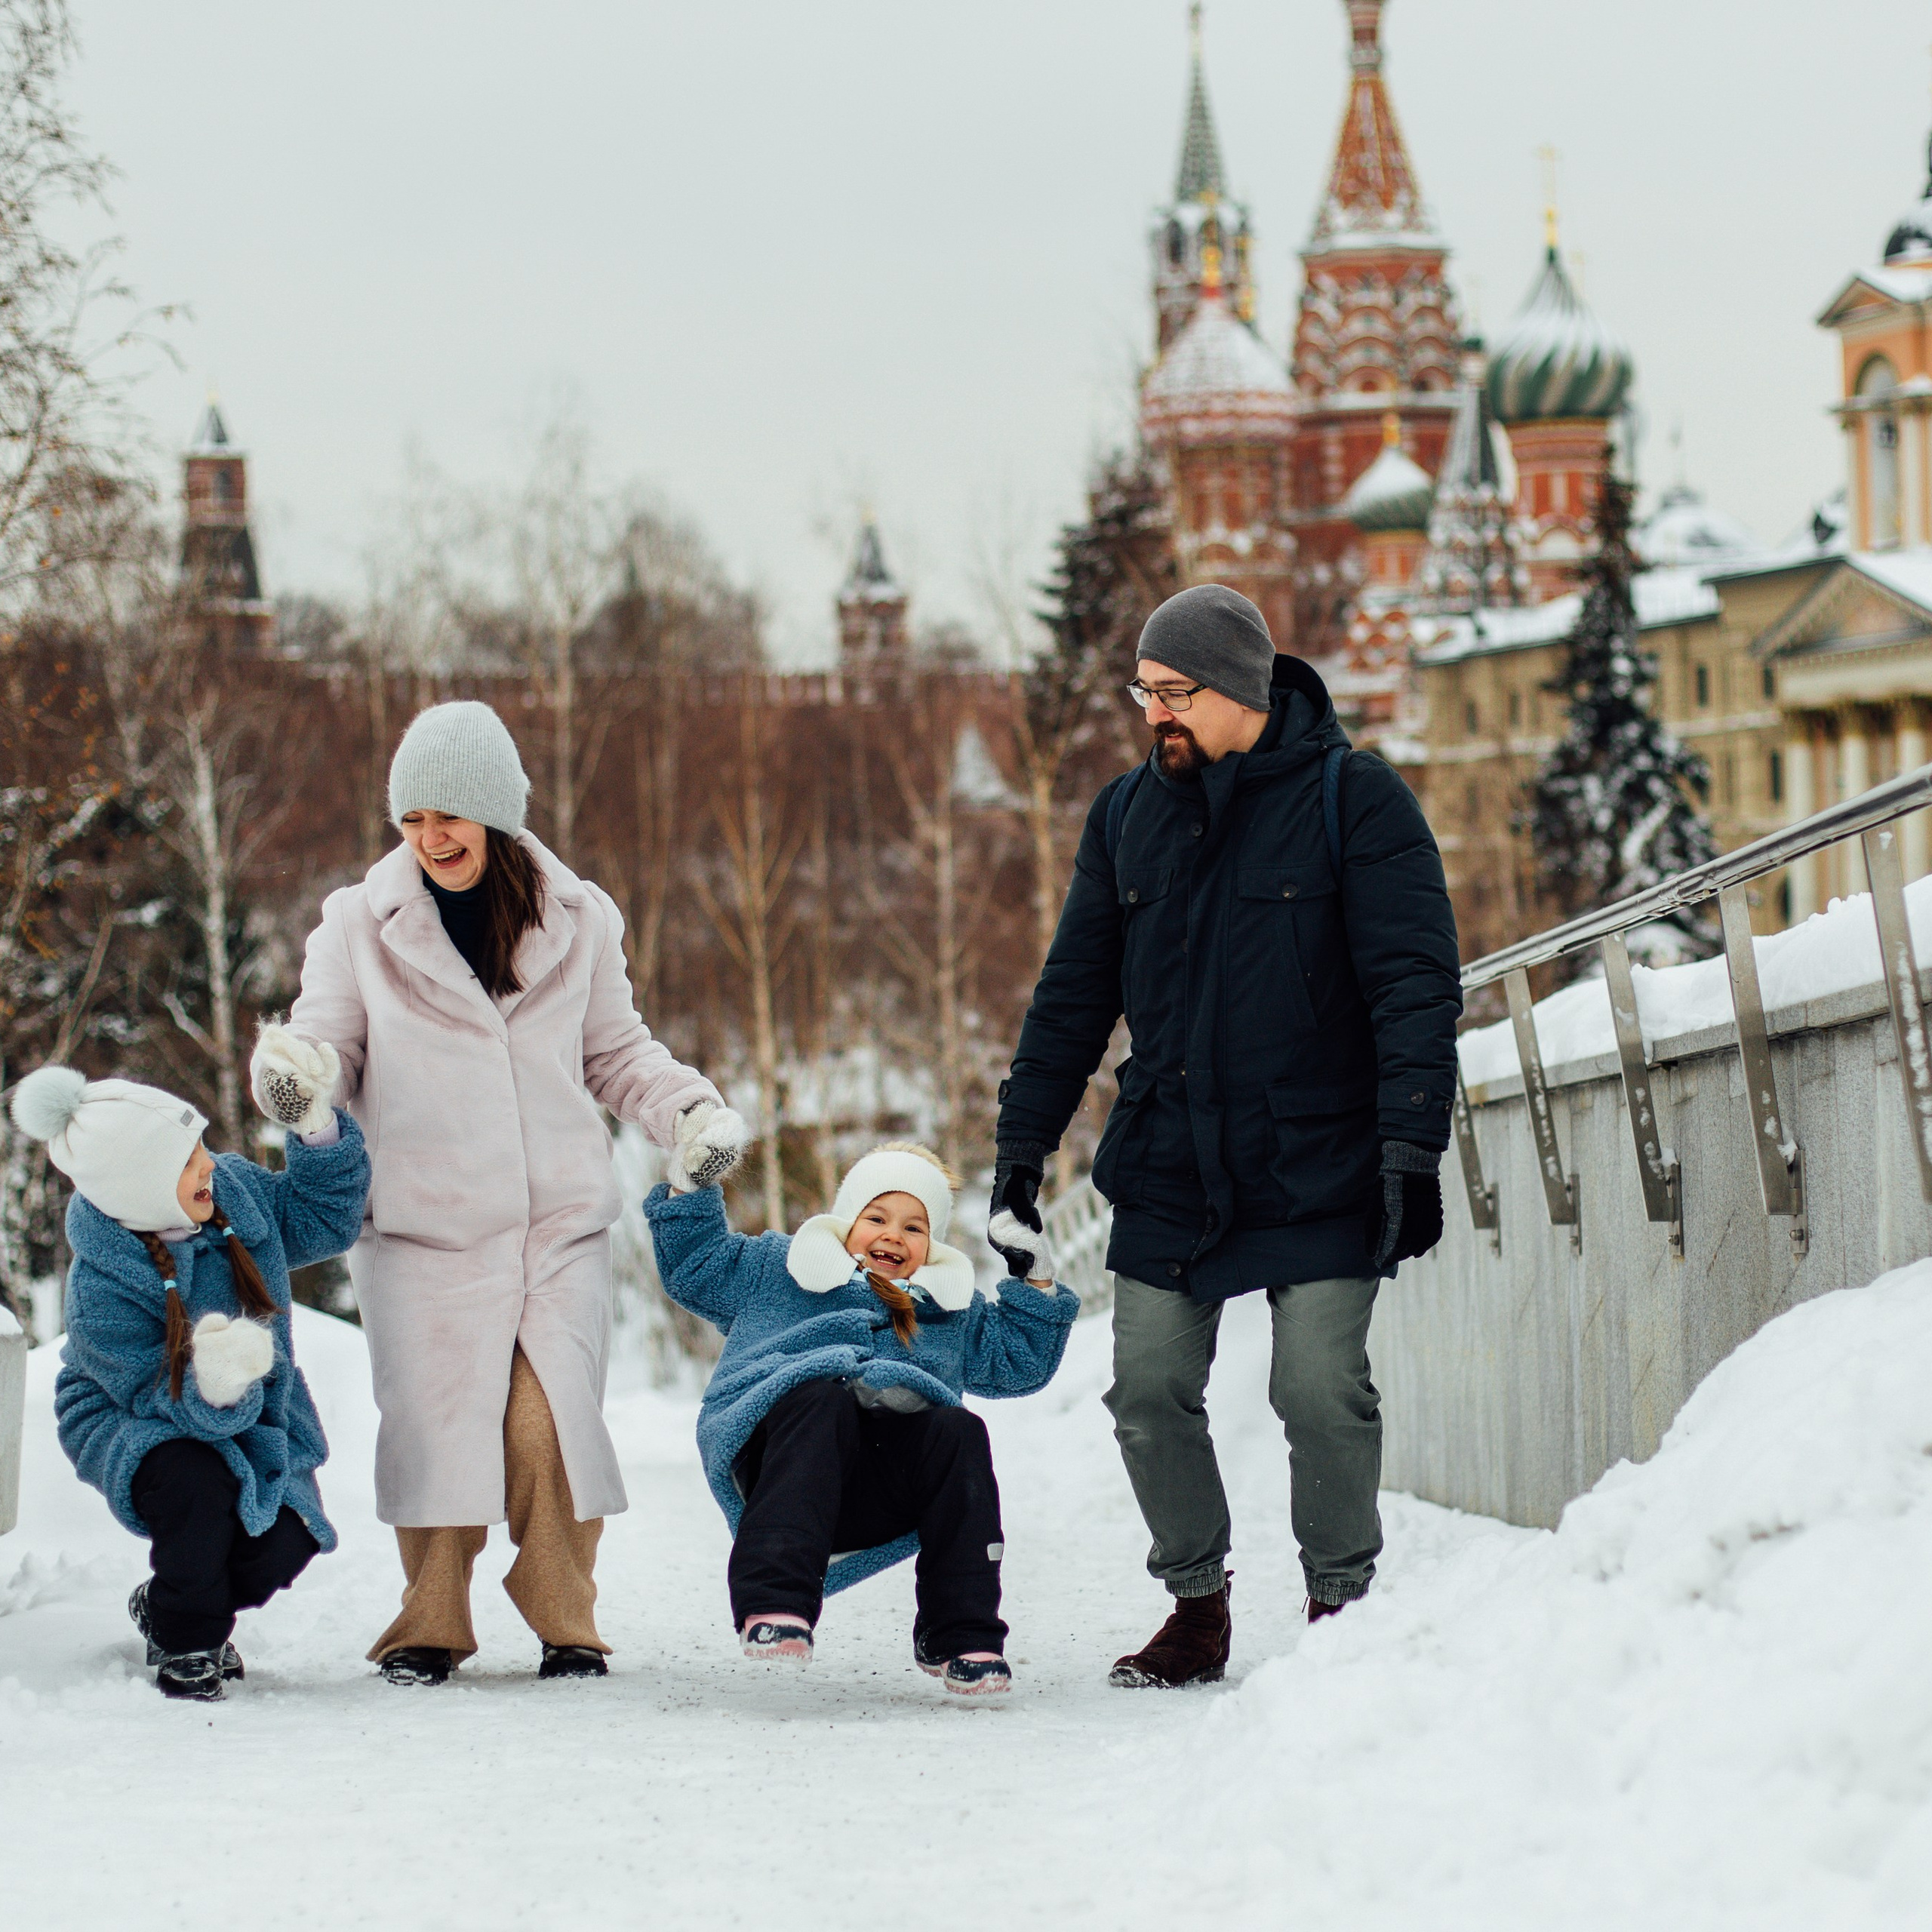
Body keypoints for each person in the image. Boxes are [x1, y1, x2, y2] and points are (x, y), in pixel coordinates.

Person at [991, 583, 1461, 1687]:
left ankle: (1342, 1604)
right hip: (1171, 1156)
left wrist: (1412, 1153)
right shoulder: (1126, 817)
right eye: (1143, 691)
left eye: (1175, 692)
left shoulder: (1356, 802)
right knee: (1147, 1390)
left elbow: (1414, 989)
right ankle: (1196, 1605)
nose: (1154, 714)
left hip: (1323, 1154)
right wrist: (1022, 1152)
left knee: (1315, 1387)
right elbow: (1072, 998)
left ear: (1242, 691)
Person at [274, 699, 749, 1686]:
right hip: (422, 1227)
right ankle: (430, 1617)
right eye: (411, 820)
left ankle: (565, 1614)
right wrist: (302, 1080)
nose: (429, 838)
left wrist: (687, 1111)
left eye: (447, 815)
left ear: (494, 812)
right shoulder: (356, 926)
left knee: (546, 1424)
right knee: (440, 1421)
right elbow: (324, 1036)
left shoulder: (578, 919)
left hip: (553, 1223)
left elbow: (618, 1053)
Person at [643, 1143, 1078, 1697]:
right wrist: (690, 1188)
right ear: (848, 1220)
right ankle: (774, 1602)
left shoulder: (948, 1309)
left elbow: (1019, 1362)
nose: (893, 1235)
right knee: (822, 1398)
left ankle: (963, 1635)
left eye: (915, 1227)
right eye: (876, 1218)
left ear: (932, 1244)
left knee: (959, 1430)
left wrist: (1035, 1279)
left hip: (880, 1491)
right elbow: (696, 1266)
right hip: (782, 1459)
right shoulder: (777, 1268)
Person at [12, 1060, 369, 1700]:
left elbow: (320, 1221)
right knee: (198, 1490)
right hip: (132, 1419)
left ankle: (167, 1602)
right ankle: (189, 1641)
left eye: (201, 1145)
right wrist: (215, 1387)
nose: (207, 1163)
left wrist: (315, 1132)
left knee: (284, 1540)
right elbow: (146, 1392)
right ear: (137, 1185)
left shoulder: (232, 1190)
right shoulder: (103, 1283)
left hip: (253, 1405)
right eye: (185, 1160)